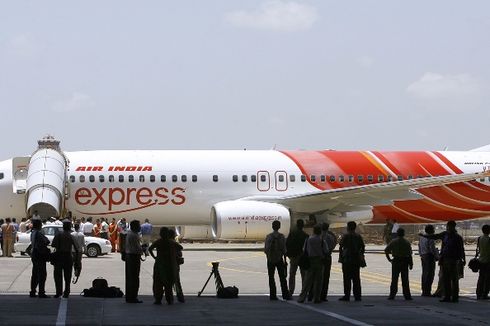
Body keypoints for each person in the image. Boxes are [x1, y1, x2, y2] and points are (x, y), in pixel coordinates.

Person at [421, 220, 465, 302]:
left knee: (454, 279)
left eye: (449, 226)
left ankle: (455, 297)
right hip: (445, 259)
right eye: (448, 226)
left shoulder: (457, 237)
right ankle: (447, 296)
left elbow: (461, 249)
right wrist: (425, 236)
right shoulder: (445, 234)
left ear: (453, 227)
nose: (448, 228)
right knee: (446, 279)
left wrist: (463, 259)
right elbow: (435, 236)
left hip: (453, 260)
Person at [298, 225, 328, 304]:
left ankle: (302, 297)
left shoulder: (308, 239)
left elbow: (304, 249)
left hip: (310, 260)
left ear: (313, 231)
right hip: (319, 261)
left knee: (307, 280)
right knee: (318, 281)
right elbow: (326, 250)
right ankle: (316, 298)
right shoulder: (322, 240)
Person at [149, 227, 178, 305]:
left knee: (158, 283)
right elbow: (180, 247)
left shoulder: (158, 242)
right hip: (168, 264)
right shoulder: (171, 242)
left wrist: (155, 257)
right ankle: (169, 299)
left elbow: (150, 249)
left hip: (159, 264)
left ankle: (158, 299)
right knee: (168, 283)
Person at [338, 221, 365, 301]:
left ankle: (347, 295)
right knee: (356, 278)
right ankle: (357, 296)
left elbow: (341, 246)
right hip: (356, 259)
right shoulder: (358, 236)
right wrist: (361, 255)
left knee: (347, 278)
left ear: (348, 227)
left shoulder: (346, 236)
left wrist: (341, 257)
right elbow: (362, 247)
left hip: (347, 260)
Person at [51, 219, 79, 298]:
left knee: (58, 276)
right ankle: (67, 291)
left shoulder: (58, 235)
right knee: (68, 276)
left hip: (59, 256)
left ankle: (58, 292)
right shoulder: (71, 236)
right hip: (68, 257)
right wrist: (77, 260)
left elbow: (53, 245)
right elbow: (77, 249)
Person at [264, 220, 290, 301]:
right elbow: (284, 249)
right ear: (279, 227)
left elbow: (266, 249)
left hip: (271, 259)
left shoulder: (269, 236)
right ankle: (285, 294)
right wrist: (285, 259)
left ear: (272, 226)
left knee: (271, 278)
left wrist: (269, 257)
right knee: (282, 277)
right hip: (279, 259)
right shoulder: (282, 237)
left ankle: (273, 295)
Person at [385, 228, 413, 300]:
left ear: (397, 233)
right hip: (404, 261)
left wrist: (389, 259)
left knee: (394, 279)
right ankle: (407, 295)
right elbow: (409, 254)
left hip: (396, 261)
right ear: (404, 234)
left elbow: (386, 250)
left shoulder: (393, 241)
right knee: (405, 279)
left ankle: (392, 295)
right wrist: (411, 263)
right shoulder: (407, 242)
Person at [285, 219, 309, 297]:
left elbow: (287, 244)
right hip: (302, 257)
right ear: (303, 226)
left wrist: (289, 255)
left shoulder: (292, 234)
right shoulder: (305, 235)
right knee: (304, 275)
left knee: (292, 274)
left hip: (294, 256)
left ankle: (291, 291)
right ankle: (304, 291)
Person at [29, 218, 50, 298]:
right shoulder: (38, 233)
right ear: (38, 225)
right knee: (42, 274)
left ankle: (33, 291)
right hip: (39, 255)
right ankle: (41, 292)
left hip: (35, 255)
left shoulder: (33, 233)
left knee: (35, 274)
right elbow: (46, 241)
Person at [125, 219, 143, 303]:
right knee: (135, 278)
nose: (140, 227)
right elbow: (137, 248)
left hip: (129, 256)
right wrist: (142, 249)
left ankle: (129, 296)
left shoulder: (129, 234)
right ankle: (133, 297)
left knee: (130, 277)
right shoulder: (135, 235)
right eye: (139, 226)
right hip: (134, 256)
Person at [418, 224, 439, 296]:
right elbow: (432, 248)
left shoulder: (422, 237)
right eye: (433, 229)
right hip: (429, 256)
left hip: (423, 256)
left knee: (424, 273)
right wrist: (436, 256)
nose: (434, 231)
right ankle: (427, 291)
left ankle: (424, 290)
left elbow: (419, 246)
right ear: (430, 230)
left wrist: (421, 254)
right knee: (430, 274)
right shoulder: (430, 238)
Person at [320, 222, 337, 301]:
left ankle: (315, 294)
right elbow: (334, 244)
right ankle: (323, 295)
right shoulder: (330, 237)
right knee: (326, 277)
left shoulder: (317, 236)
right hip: (327, 257)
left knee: (317, 277)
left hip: (319, 258)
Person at [168, 228, 185, 303]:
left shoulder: (164, 242)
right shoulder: (173, 243)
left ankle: (169, 298)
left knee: (167, 283)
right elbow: (181, 248)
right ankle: (180, 297)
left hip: (167, 265)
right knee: (177, 282)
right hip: (174, 265)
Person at [476, 224, 490, 300]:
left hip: (481, 260)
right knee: (487, 279)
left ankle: (478, 293)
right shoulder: (489, 239)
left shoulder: (479, 238)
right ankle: (485, 294)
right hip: (487, 261)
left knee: (481, 278)